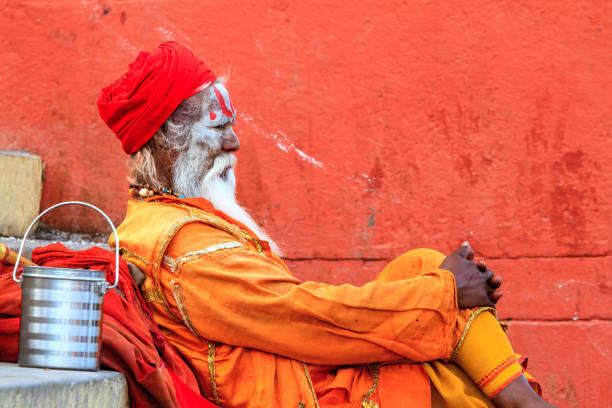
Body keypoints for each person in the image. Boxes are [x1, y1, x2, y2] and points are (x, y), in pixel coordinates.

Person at [98, 42, 556, 408]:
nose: (234, 143)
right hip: (300, 390)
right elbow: (303, 318)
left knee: (424, 267)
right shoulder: (181, 244)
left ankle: (519, 399)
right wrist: (446, 293)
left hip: (294, 358)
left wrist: (441, 287)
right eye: (217, 129)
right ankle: (525, 403)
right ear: (164, 140)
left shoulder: (163, 218)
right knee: (444, 335)